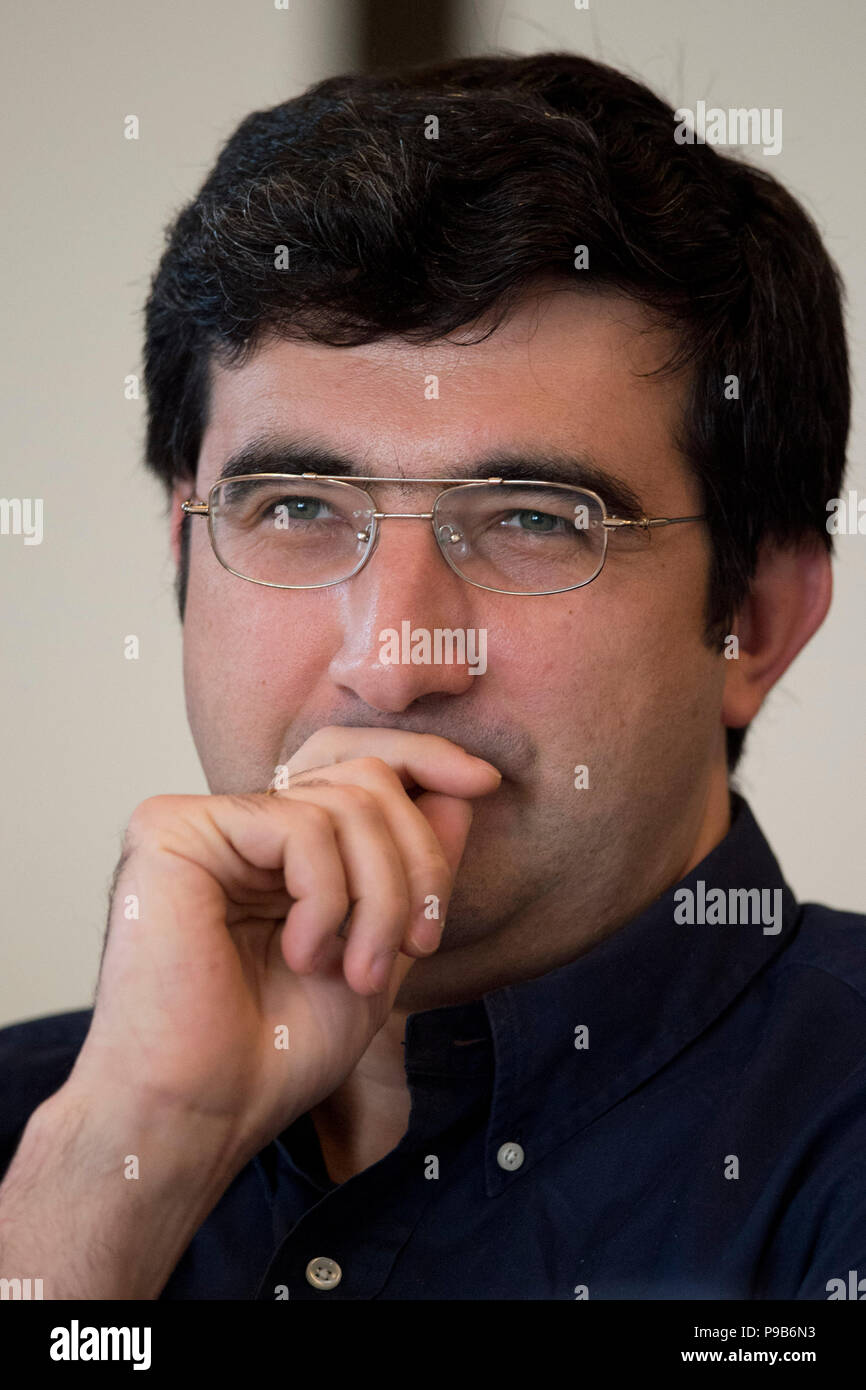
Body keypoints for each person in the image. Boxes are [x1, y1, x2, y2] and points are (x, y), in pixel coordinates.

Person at [1, 51, 863, 1302]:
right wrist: (103, 1192)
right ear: (184, 556)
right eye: (295, 504)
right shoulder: (45, 1141)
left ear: (755, 621)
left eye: (530, 519)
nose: (392, 659)